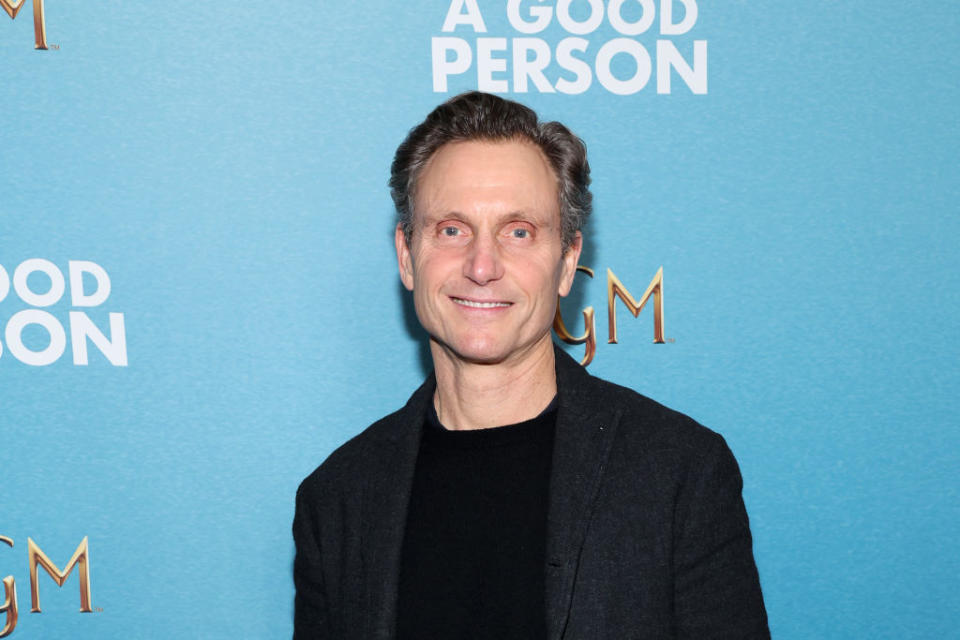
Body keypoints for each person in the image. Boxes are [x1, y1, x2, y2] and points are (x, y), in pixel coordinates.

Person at [293, 91, 769, 639]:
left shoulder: (679, 474)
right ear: (406, 255)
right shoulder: (337, 498)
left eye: (518, 232)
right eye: (452, 229)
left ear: (567, 263)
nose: (482, 265)